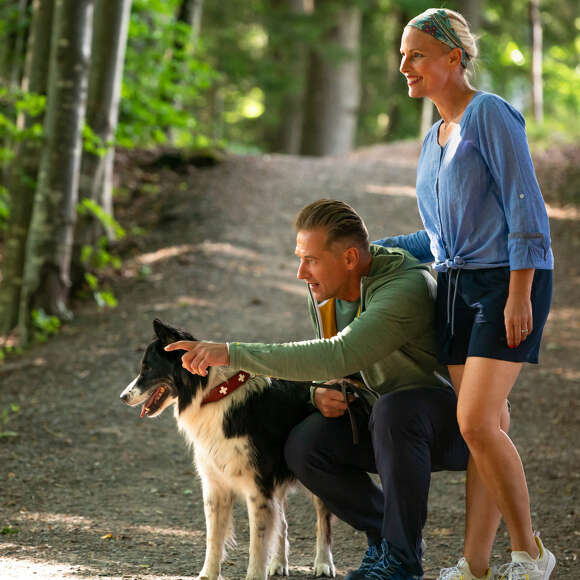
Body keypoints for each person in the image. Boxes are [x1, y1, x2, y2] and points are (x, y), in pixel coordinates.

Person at [166, 199, 470, 580]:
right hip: (383, 425)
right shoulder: (333, 285)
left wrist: (230, 353)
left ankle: (401, 560)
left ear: (348, 259)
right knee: (304, 445)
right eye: (300, 258)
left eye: (310, 259)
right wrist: (317, 393)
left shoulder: (404, 288)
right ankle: (385, 538)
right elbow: (334, 368)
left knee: (397, 409)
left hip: (452, 425)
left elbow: (339, 352)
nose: (300, 273)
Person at [374, 8, 556, 580]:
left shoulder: (491, 115)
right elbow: (435, 236)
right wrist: (369, 250)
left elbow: (526, 207)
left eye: (417, 54)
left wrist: (520, 293)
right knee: (487, 426)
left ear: (454, 59)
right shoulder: (434, 138)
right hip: (453, 287)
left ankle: (530, 553)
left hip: (505, 280)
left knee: (475, 422)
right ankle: (476, 565)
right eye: (403, 54)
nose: (404, 65)